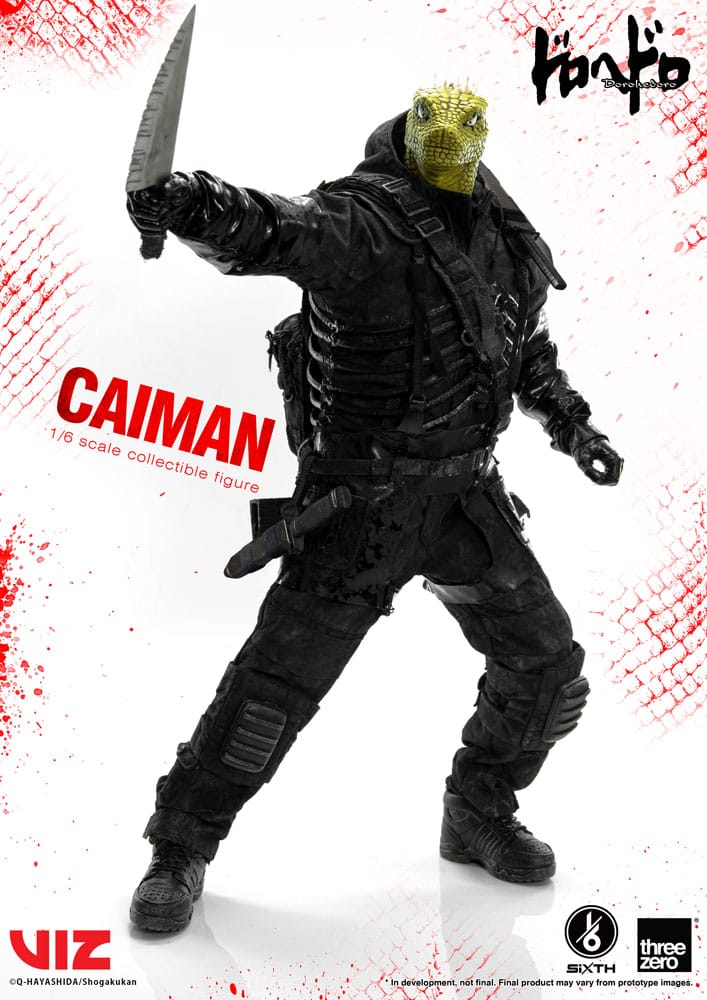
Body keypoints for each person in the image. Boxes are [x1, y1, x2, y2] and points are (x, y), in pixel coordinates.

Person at [126, 84, 622, 933]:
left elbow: (522, 351)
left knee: (546, 667)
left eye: (466, 124)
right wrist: (188, 202)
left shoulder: (502, 231)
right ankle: (179, 847)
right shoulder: (358, 223)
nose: (448, 136)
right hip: (361, 507)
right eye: (433, 121)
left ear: (483, 136)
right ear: (408, 130)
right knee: (271, 690)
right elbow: (270, 227)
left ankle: (478, 807)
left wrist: (573, 428)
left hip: (465, 499)